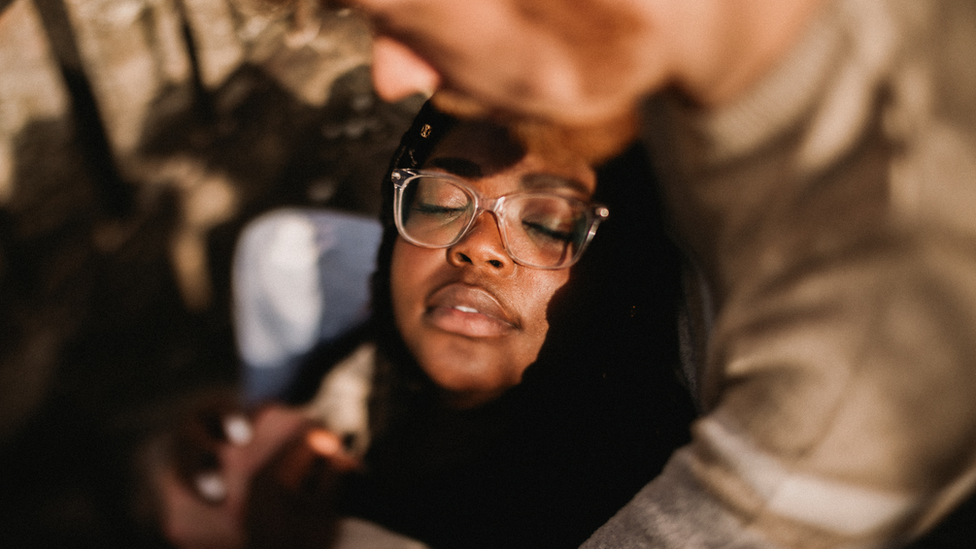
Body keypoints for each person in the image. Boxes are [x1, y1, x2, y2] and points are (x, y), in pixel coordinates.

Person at [330, 0, 976, 548]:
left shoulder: (874, 332)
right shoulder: (655, 73)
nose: (389, 76)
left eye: (411, 14)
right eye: (441, 202)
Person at [158, 98, 697, 549]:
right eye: (440, 204)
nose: (477, 244)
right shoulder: (378, 377)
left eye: (547, 223)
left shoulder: (607, 505)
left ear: (623, 274)